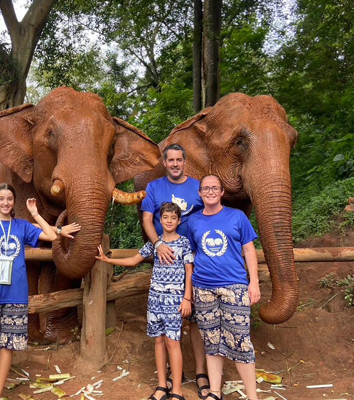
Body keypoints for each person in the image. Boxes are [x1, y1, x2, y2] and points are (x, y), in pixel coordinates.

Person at [0, 183, 63, 400]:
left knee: (7, 347)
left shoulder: (22, 226)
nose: (5, 203)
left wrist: (35, 214)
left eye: (9, 199)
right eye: (1, 199)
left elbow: (52, 236)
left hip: (16, 295)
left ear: (13, 202)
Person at [97, 202, 193, 400]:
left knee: (173, 342)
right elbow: (133, 261)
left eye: (173, 218)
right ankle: (161, 386)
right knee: (158, 340)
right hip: (155, 298)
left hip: (175, 299)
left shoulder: (184, 243)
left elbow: (189, 271)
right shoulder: (154, 244)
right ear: (159, 220)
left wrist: (187, 298)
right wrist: (108, 261)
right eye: (165, 217)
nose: (169, 221)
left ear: (179, 220)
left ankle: (177, 390)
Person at [141, 143, 209, 399]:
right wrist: (157, 244)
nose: (175, 164)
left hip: (196, 260)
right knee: (169, 324)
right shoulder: (154, 187)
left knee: (195, 319)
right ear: (164, 162)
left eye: (179, 159)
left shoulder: (198, 186)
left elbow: (209, 214)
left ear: (184, 161)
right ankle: (169, 377)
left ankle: (201, 373)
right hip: (166, 261)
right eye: (170, 160)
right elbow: (147, 219)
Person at [186, 175, 261, 400]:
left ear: (221, 193)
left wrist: (253, 283)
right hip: (203, 288)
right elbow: (192, 253)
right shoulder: (193, 221)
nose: (210, 191)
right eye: (205, 188)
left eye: (214, 188)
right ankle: (215, 392)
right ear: (200, 193)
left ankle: (252, 396)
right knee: (211, 341)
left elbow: (249, 250)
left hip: (234, 287)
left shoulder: (236, 217)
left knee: (240, 340)